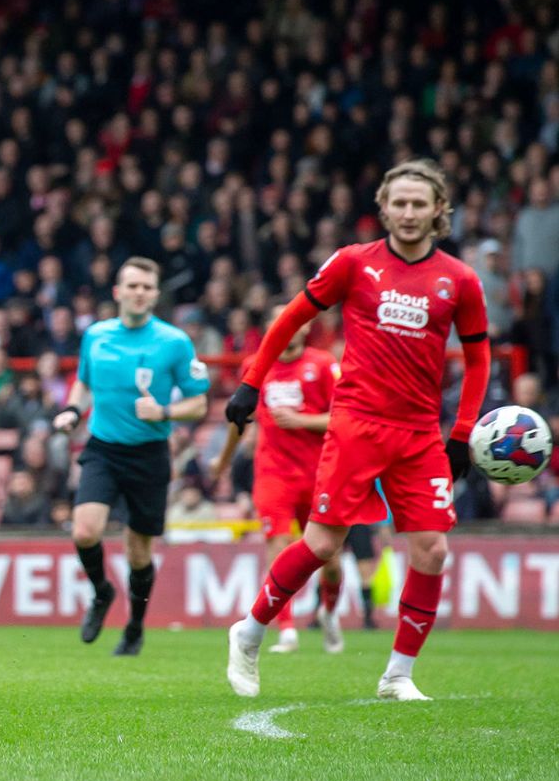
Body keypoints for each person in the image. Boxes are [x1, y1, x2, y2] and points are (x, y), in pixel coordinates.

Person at [225, 160, 490, 701]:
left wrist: (461, 432)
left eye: (420, 204)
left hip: (418, 433)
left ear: (439, 210)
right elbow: (291, 318)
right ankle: (250, 631)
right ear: (384, 207)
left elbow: (479, 357)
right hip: (356, 424)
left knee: (432, 551)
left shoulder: (460, 280)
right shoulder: (352, 263)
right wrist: (252, 382)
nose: (409, 213)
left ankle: (398, 675)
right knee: (323, 544)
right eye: (400, 203)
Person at [53, 257, 209, 655]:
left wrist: (165, 412)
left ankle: (135, 627)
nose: (139, 293)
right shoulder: (97, 335)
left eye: (147, 287)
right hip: (103, 448)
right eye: (133, 286)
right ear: (118, 292)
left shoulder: (174, 342)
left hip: (149, 454)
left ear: (155, 295)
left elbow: (199, 404)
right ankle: (102, 591)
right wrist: (73, 410)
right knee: (84, 531)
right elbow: (83, 383)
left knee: (138, 553)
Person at [248, 304, 345, 655]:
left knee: (329, 560)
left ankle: (329, 612)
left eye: (292, 321)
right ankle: (286, 629)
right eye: (277, 323)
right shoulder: (256, 366)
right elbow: (242, 417)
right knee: (278, 545)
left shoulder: (321, 365)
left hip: (321, 472)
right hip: (274, 473)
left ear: (305, 328)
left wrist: (303, 421)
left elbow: (344, 418)